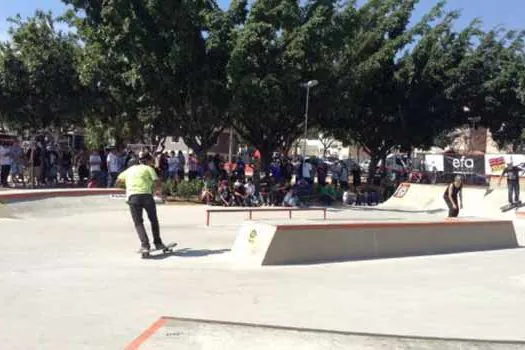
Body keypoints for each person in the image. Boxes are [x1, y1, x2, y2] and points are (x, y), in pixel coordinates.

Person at [116, 152, 166, 253]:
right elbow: (157, 181)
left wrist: (127, 187)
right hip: (147, 196)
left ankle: (145, 245)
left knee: (138, 222)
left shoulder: (128, 170)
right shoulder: (148, 168)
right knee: (153, 220)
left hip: (133, 197)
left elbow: (118, 182)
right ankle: (158, 243)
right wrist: (157, 191)